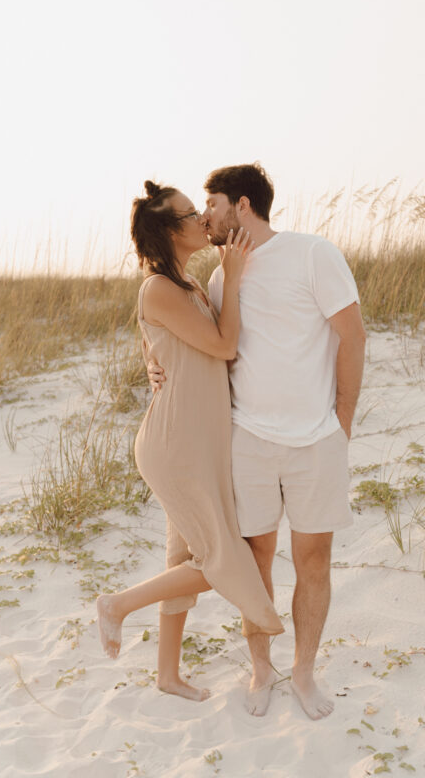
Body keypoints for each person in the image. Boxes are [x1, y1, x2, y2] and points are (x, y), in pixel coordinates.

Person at [148, 164, 365, 719]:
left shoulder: (313, 253)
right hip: (247, 440)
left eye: (211, 204)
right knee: (256, 558)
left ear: (241, 205)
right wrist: (152, 362)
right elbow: (198, 340)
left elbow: (351, 334)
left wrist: (342, 418)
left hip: (317, 439)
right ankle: (262, 669)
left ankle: (305, 672)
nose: (205, 216)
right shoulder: (221, 276)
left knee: (314, 558)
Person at [97, 180, 283, 704]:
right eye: (188, 213)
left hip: (199, 441)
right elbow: (224, 346)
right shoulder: (160, 286)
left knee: (182, 555)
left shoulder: (186, 284)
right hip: (176, 444)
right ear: (168, 230)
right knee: (219, 557)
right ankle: (117, 605)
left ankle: (166, 674)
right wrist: (238, 276)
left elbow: (157, 347)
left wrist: (152, 366)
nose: (202, 217)